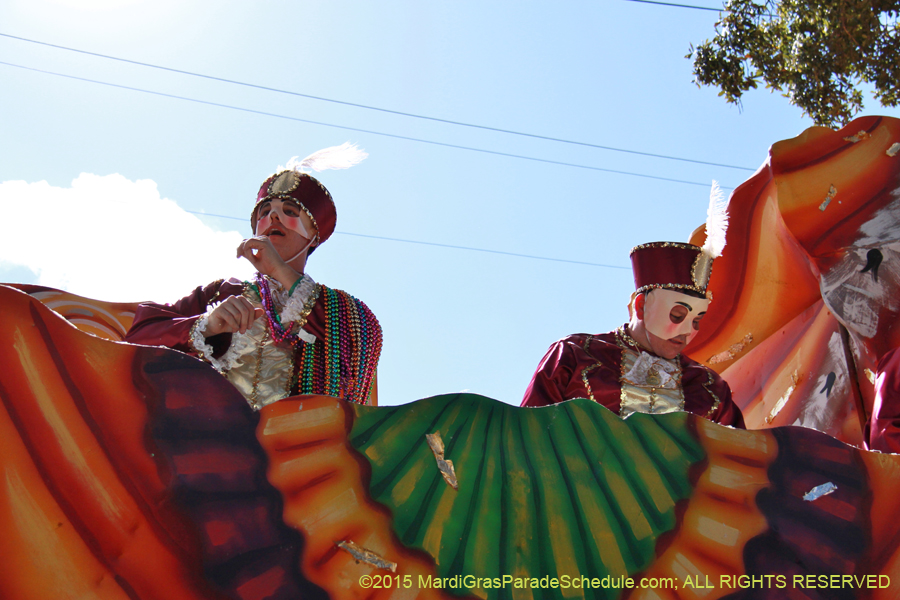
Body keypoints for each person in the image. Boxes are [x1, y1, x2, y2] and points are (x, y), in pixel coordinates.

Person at [125, 144, 382, 409]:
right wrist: (208, 325)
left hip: (297, 444)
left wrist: (281, 272)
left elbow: (365, 341)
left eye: (290, 212)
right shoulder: (222, 292)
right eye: (264, 211)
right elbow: (137, 338)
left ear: (314, 235)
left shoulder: (337, 311)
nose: (273, 216)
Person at [521, 184, 745, 428]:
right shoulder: (574, 355)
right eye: (677, 315)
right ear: (641, 307)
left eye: (697, 320)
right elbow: (528, 434)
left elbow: (737, 458)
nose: (687, 331)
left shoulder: (709, 388)